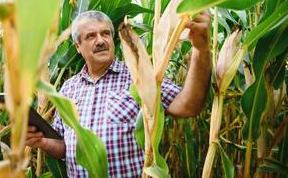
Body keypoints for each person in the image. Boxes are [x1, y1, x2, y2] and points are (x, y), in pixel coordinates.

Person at [26, 10, 211, 177]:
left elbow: (188, 105)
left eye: (105, 33)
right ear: (77, 46)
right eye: (91, 36)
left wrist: (200, 48)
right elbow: (65, 147)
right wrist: (41, 141)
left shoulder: (138, 75)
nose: (100, 40)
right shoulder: (68, 88)